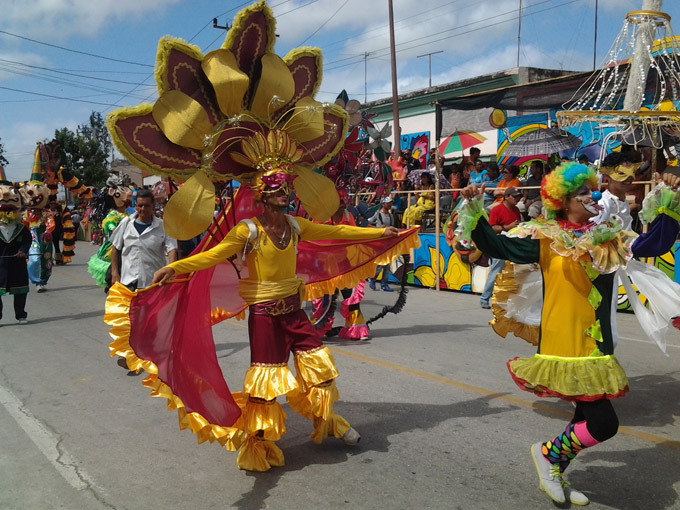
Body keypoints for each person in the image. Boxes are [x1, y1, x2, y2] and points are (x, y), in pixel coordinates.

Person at [457, 163, 680, 505]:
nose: (591, 197)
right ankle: (547, 455)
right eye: (582, 193)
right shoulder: (545, 238)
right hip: (564, 345)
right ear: (562, 201)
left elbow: (654, 243)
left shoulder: (608, 237)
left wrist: (669, 199)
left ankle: (553, 468)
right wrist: (473, 208)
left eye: (590, 190)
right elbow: (498, 246)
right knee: (604, 424)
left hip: (597, 345)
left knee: (584, 417)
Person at [151, 173, 400, 471]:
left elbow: (337, 233)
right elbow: (213, 255)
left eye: (286, 188)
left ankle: (331, 422)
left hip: (294, 310)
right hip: (265, 316)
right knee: (266, 387)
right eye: (277, 189)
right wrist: (175, 267)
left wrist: (378, 233)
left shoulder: (296, 226)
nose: (284, 193)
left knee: (321, 372)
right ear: (262, 197)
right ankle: (258, 444)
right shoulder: (248, 231)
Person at [110, 188, 177, 292]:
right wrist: (114, 273)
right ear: (135, 206)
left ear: (153, 207)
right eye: (140, 205)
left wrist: (171, 270)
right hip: (128, 282)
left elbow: (172, 249)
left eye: (146, 206)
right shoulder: (126, 223)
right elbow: (115, 249)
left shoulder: (163, 226)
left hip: (153, 282)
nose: (143, 209)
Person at [479, 187, 521, 309]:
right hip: (500, 242)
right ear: (507, 197)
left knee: (514, 270)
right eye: (515, 196)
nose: (517, 199)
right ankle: (484, 298)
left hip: (513, 241)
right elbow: (491, 228)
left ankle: (507, 299)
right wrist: (506, 227)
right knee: (496, 270)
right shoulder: (497, 209)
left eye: (518, 196)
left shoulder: (516, 209)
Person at [0, 181, 31, 324]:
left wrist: (22, 251)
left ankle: (21, 315)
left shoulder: (21, 228)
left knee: (20, 291)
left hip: (17, 263)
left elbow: (27, 241)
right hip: (0, 264)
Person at [367, 196, 396, 291]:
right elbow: (367, 224)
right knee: (380, 264)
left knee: (387, 265)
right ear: (383, 204)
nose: (390, 204)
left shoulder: (391, 216)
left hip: (388, 242)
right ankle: (374, 279)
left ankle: (383, 284)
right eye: (388, 203)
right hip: (379, 242)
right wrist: (378, 229)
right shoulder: (378, 214)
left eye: (391, 203)